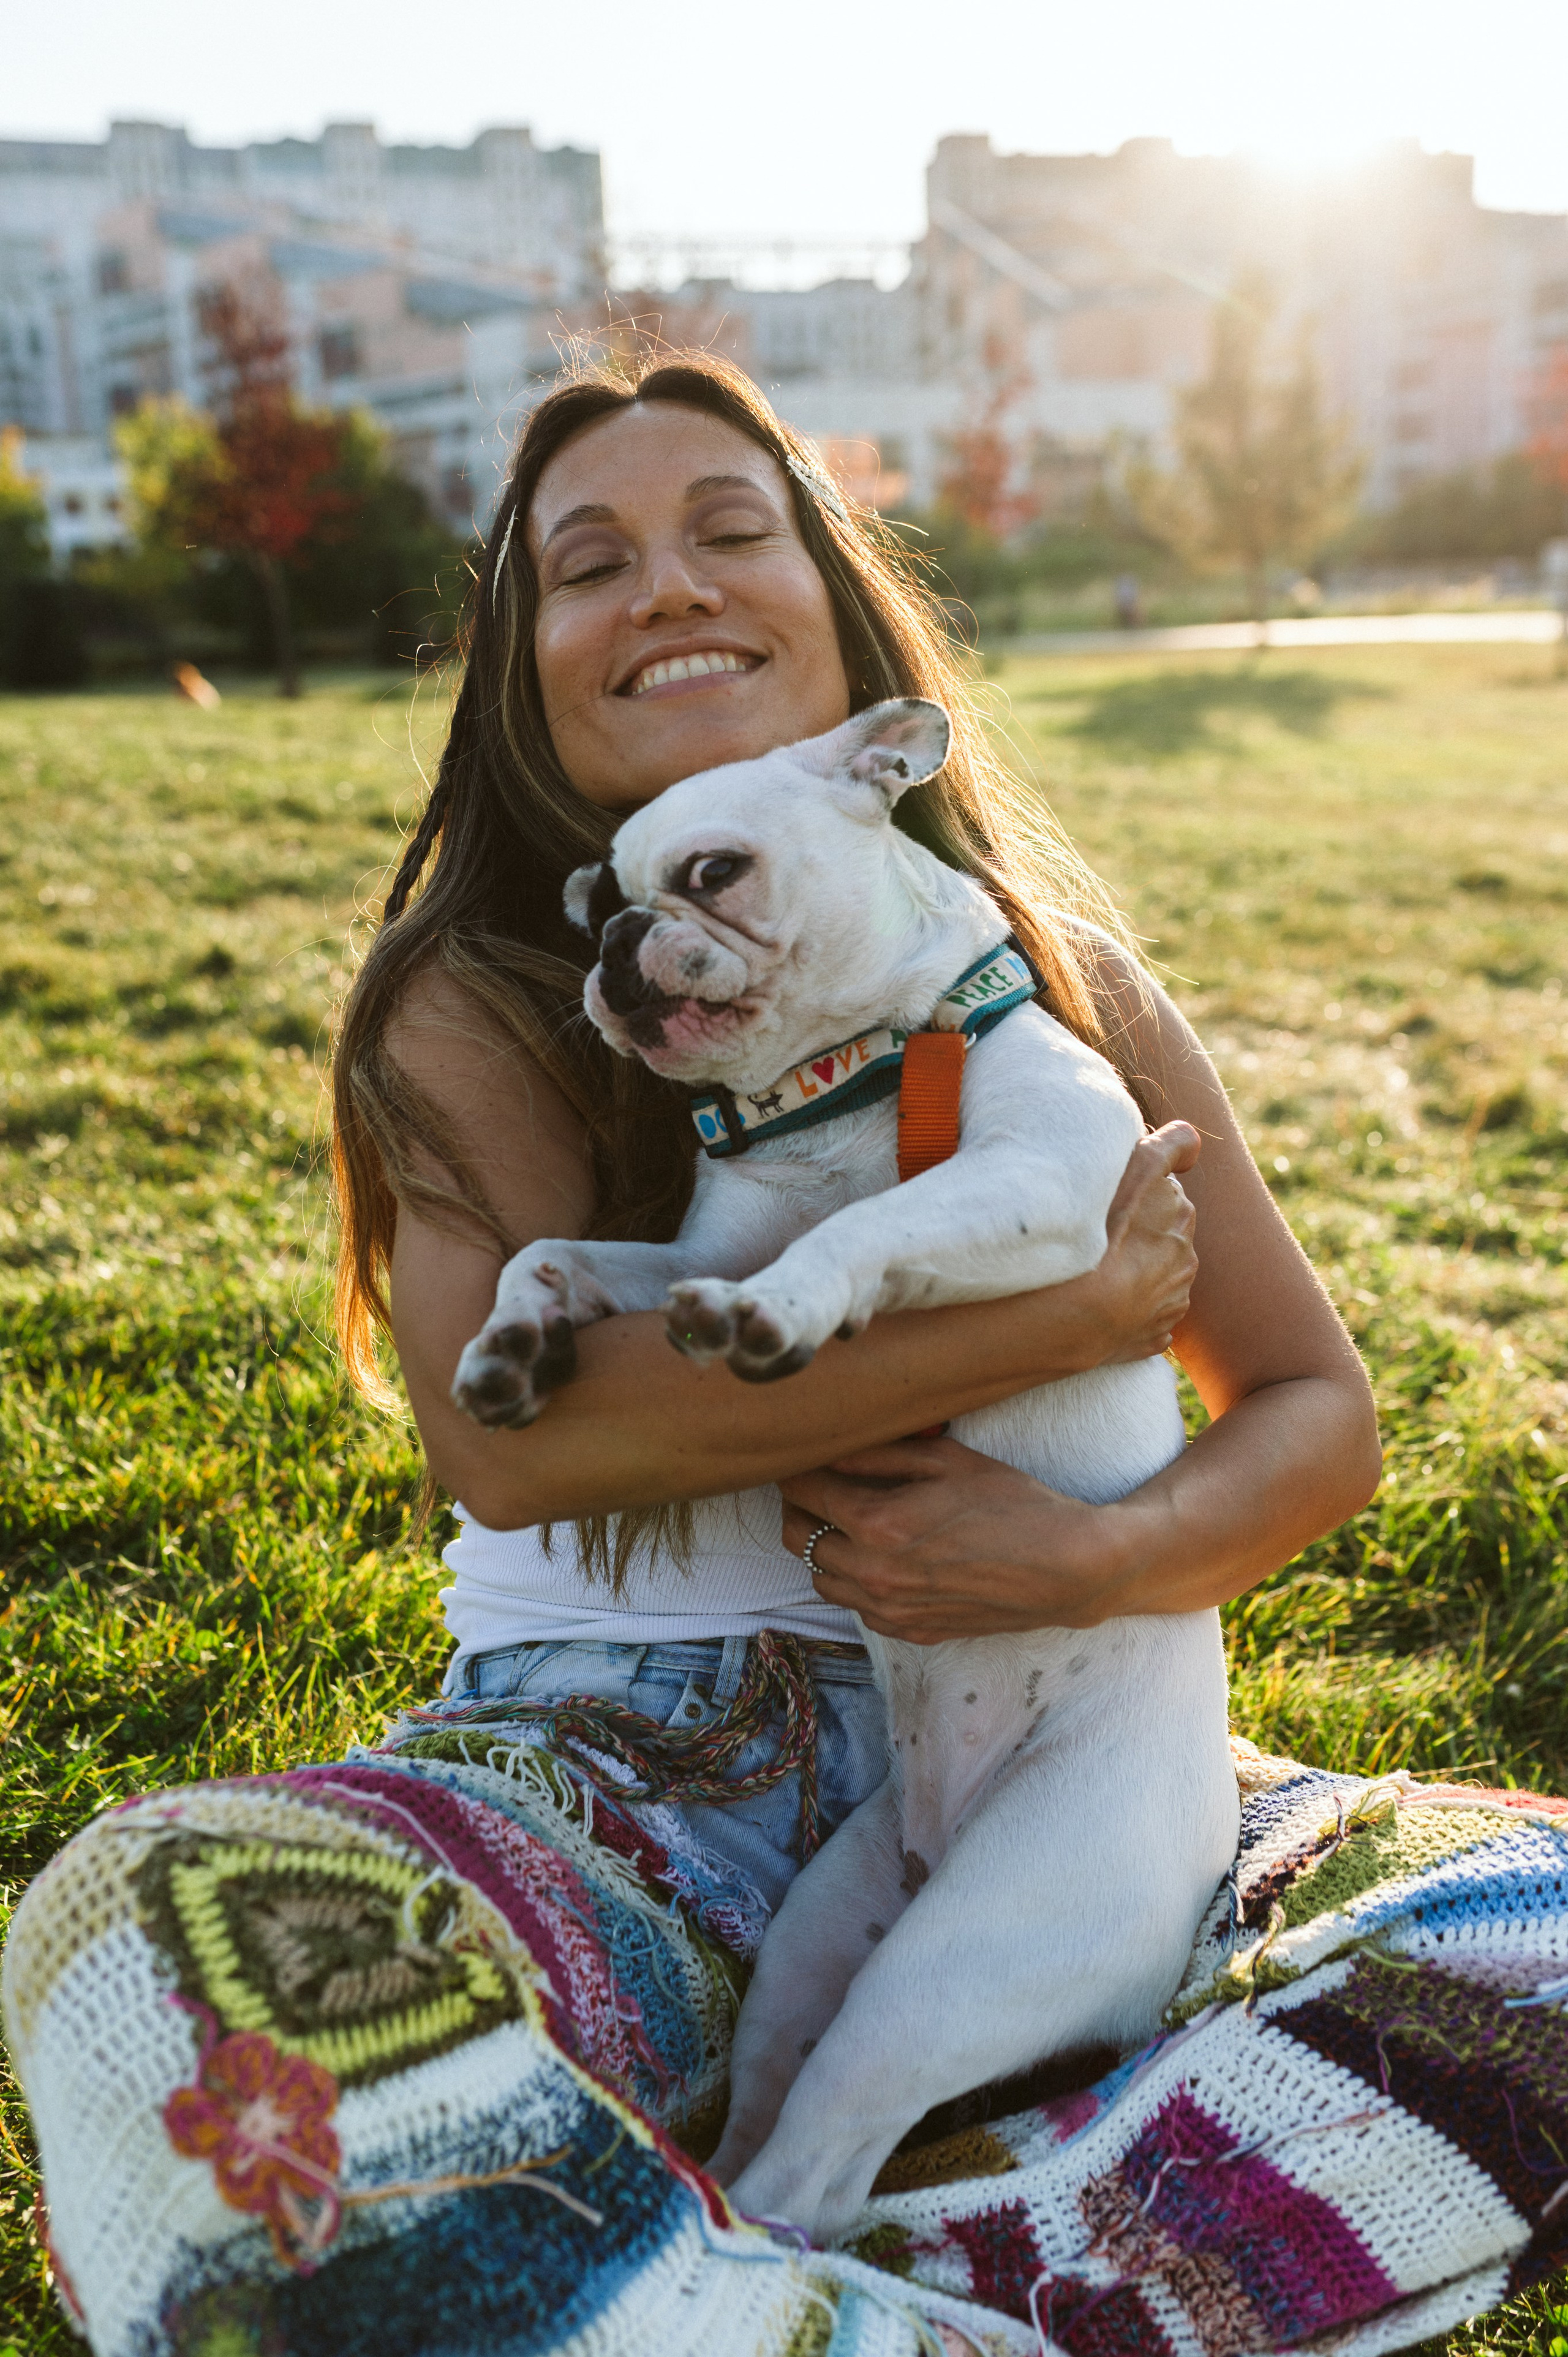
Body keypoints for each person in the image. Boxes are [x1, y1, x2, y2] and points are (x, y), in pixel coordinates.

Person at [8, 355, 1560, 2357]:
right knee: (154, 1940)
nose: (666, 588)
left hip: (1080, 1750)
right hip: (625, 1771)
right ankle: (1040, 2249)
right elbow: (532, 1449)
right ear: (519, 668)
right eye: (589, 563)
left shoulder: (1055, 994)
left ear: (844, 620)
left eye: (729, 533)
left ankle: (720, 2267)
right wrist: (1073, 1313)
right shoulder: (471, 1004)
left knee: (1533, 1931)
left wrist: (1090, 1562)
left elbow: (1319, 1418)